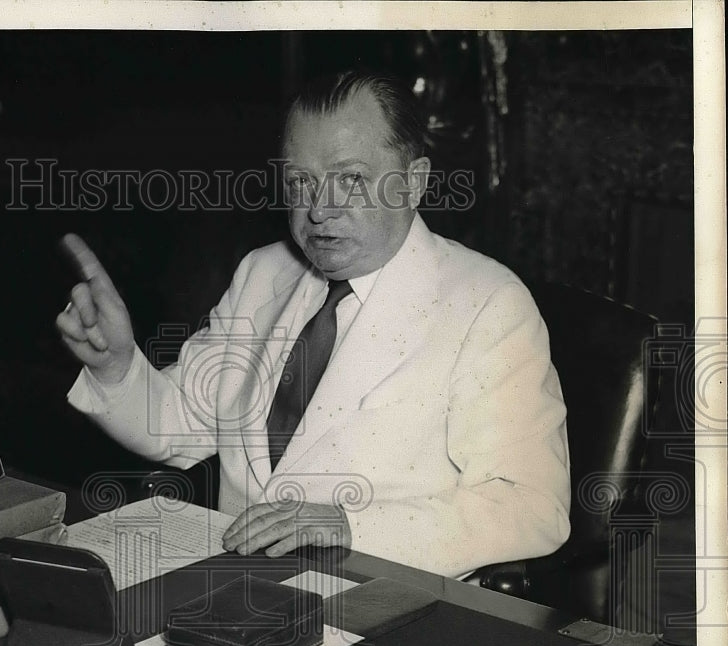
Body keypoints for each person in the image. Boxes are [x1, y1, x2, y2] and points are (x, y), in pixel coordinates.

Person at [58, 70, 570, 579]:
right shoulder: (264, 272)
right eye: (301, 181)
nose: (319, 210)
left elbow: (532, 506)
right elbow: (180, 424)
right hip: (238, 594)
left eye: (350, 178)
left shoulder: (489, 305)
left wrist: (351, 526)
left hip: (391, 605)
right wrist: (117, 366)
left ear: (414, 183)